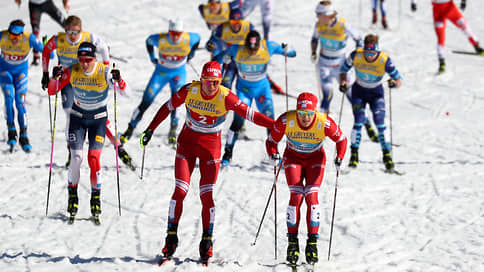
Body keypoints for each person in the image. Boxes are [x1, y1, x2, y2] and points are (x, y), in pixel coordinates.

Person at [139, 61, 274, 265]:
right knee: (180, 191)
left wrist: (277, 126)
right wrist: (150, 129)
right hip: (186, 145)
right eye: (208, 81)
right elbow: (167, 107)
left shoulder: (225, 96)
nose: (211, 85)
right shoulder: (190, 90)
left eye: (216, 82)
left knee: (207, 195)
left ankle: (206, 241)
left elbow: (251, 115)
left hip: (211, 150)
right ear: (201, 80)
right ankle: (171, 237)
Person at [47, 42, 131, 223]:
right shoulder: (72, 70)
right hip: (77, 117)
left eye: (89, 60)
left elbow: (127, 93)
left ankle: (95, 198)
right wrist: (54, 78)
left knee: (94, 158)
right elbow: (52, 91)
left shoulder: (104, 71)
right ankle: (73, 196)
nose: (85, 64)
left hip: (98, 120)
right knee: (76, 157)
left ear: (95, 58)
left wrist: (119, 80)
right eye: (82, 59)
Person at [41, 15, 135, 170]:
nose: (72, 35)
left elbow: (104, 48)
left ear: (81, 30)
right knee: (71, 114)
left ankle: (118, 147)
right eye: (69, 32)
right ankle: (72, 150)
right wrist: (46, 74)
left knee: (96, 114)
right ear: (64, 30)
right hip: (68, 79)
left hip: (89, 78)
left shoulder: (89, 37)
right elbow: (46, 50)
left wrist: (105, 69)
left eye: (76, 32)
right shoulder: (58, 39)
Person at [265, 92, 347, 266]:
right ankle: (292, 243)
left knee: (311, 197)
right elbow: (271, 140)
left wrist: (339, 157)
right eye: (301, 114)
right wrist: (273, 153)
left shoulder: (323, 122)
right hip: (293, 158)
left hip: (315, 159)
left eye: (309, 114)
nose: (305, 118)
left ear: (315, 112)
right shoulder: (287, 120)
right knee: (296, 196)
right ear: (297, 111)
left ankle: (312, 244)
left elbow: (341, 139)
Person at [220, 30, 296, 167]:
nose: (252, 51)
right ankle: (227, 152)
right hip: (244, 90)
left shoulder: (268, 47)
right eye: (249, 48)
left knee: (270, 120)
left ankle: (274, 152)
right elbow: (220, 57)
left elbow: (292, 53)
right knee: (238, 121)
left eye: (255, 49)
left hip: (262, 89)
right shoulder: (236, 49)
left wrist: (287, 50)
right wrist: (224, 59)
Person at [121, 18, 200, 147]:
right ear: (169, 32)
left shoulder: (188, 38)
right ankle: (130, 129)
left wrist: (192, 53)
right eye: (172, 34)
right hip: (161, 73)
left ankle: (173, 131)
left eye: (178, 34)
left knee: (176, 102)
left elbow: (198, 39)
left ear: (182, 33)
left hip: (178, 74)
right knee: (146, 101)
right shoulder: (161, 39)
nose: (175, 37)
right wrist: (152, 57)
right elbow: (148, 41)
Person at [339, 34, 402, 172]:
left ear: (377, 51)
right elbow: (343, 70)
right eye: (367, 52)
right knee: (359, 120)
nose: (369, 56)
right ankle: (354, 155)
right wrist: (343, 82)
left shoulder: (384, 60)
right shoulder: (356, 55)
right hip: (358, 91)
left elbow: (398, 79)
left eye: (372, 53)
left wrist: (393, 84)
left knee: (380, 121)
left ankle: (387, 155)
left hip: (376, 93)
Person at [311, 1, 362, 114]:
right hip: (324, 64)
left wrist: (358, 56)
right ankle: (324, 125)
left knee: (350, 94)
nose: (317, 17)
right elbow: (314, 39)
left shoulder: (343, 25)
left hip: (340, 65)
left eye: (318, 14)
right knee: (326, 96)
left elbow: (359, 39)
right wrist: (313, 52)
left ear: (326, 15)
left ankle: (365, 122)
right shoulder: (318, 25)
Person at [0, 19, 44, 152]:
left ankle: (24, 135)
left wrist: (46, 44)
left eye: (16, 37)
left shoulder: (29, 38)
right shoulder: (2, 36)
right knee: (8, 100)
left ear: (21, 35)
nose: (14, 39)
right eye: (11, 36)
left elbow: (50, 53)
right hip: (4, 71)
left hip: (20, 74)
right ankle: (11, 131)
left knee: (20, 102)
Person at [412, 0, 483, 73]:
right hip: (438, 12)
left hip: (450, 8)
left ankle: (477, 46)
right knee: (441, 37)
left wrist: (463, 1)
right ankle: (441, 62)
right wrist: (413, 3)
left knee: (464, 27)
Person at [206, 8, 254, 89]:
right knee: (226, 85)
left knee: (244, 87)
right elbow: (212, 40)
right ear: (229, 21)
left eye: (238, 22)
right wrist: (210, 45)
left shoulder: (248, 27)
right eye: (233, 22)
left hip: (243, 61)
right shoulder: (223, 28)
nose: (236, 25)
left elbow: (256, 42)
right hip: (228, 60)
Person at [14, 0, 69, 65]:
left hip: (47, 3)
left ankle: (76, 40)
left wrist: (65, 2)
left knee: (65, 23)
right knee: (35, 31)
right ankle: (36, 55)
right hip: (35, 6)